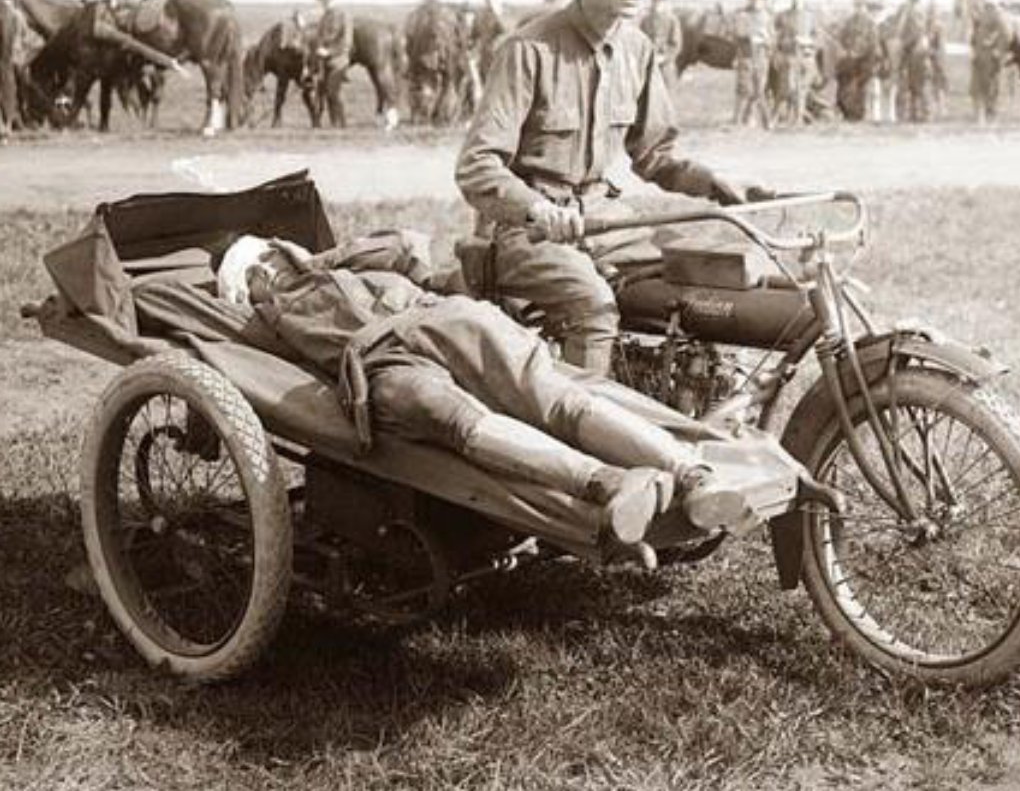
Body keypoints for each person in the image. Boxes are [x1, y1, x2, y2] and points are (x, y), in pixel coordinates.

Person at [215, 231, 761, 565]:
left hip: (435, 321)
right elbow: (238, 356)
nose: (271, 275)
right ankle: (613, 483)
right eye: (259, 275)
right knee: (465, 420)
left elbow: (406, 244)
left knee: (551, 399)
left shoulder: (336, 266)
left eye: (269, 264)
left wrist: (322, 258)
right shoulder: (267, 318)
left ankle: (691, 476)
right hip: (385, 361)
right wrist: (266, 296)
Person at [455, 0, 771, 375]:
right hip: (526, 234)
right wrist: (535, 208)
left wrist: (717, 184)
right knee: (592, 306)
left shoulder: (638, 50)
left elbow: (656, 155)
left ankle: (677, 402)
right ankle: (585, 442)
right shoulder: (529, 49)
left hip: (606, 223)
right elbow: (477, 166)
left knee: (696, 285)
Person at [731, 0, 775, 128]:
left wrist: (766, 40)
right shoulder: (742, 15)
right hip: (746, 57)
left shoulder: (768, 16)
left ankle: (764, 121)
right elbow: (737, 34)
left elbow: (773, 39)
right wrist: (750, 36)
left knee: (760, 90)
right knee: (744, 89)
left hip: (762, 58)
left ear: (764, 0)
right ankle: (737, 120)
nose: (756, 1)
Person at [773, 0, 817, 125]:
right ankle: (782, 116)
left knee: (802, 89)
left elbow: (817, 37)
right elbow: (777, 39)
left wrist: (808, 43)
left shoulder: (811, 16)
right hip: (790, 57)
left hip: (806, 57)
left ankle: (798, 119)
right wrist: (790, 41)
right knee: (789, 88)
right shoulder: (783, 16)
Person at [836, 0, 880, 121]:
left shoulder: (870, 24)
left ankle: (858, 114)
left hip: (864, 62)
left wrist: (858, 53)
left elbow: (873, 44)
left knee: (859, 86)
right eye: (856, 5)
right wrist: (846, 51)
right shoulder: (849, 22)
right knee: (842, 79)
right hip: (850, 61)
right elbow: (842, 39)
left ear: (864, 6)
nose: (858, 8)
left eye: (861, 5)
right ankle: (847, 113)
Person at [313, 0, 352, 128]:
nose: (323, 2)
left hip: (338, 60)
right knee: (327, 94)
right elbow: (320, 38)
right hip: (324, 62)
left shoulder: (343, 15)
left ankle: (342, 124)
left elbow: (346, 43)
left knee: (334, 92)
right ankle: (334, 124)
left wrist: (329, 52)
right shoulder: (324, 16)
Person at [894, 0, 931, 122]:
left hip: (916, 49)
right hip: (909, 49)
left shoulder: (917, 9)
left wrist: (905, 45)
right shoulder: (905, 9)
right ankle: (910, 113)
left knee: (918, 84)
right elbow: (899, 28)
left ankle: (921, 113)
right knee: (908, 83)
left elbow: (918, 30)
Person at [0, 0, 31, 139]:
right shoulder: (17, 14)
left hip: (7, 58)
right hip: (12, 60)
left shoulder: (10, 15)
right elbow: (25, 38)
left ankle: (6, 125)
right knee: (11, 89)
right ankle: (9, 125)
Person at [639, 0, 683, 87]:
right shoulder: (645, 20)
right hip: (648, 68)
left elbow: (676, 45)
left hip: (666, 69)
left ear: (665, 2)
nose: (657, 3)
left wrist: (664, 57)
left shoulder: (672, 20)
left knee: (666, 99)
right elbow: (639, 42)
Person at [472, 0, 508, 84]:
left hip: (500, 58)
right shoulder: (479, 15)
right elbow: (473, 36)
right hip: (483, 58)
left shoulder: (504, 15)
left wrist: (497, 15)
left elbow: (506, 33)